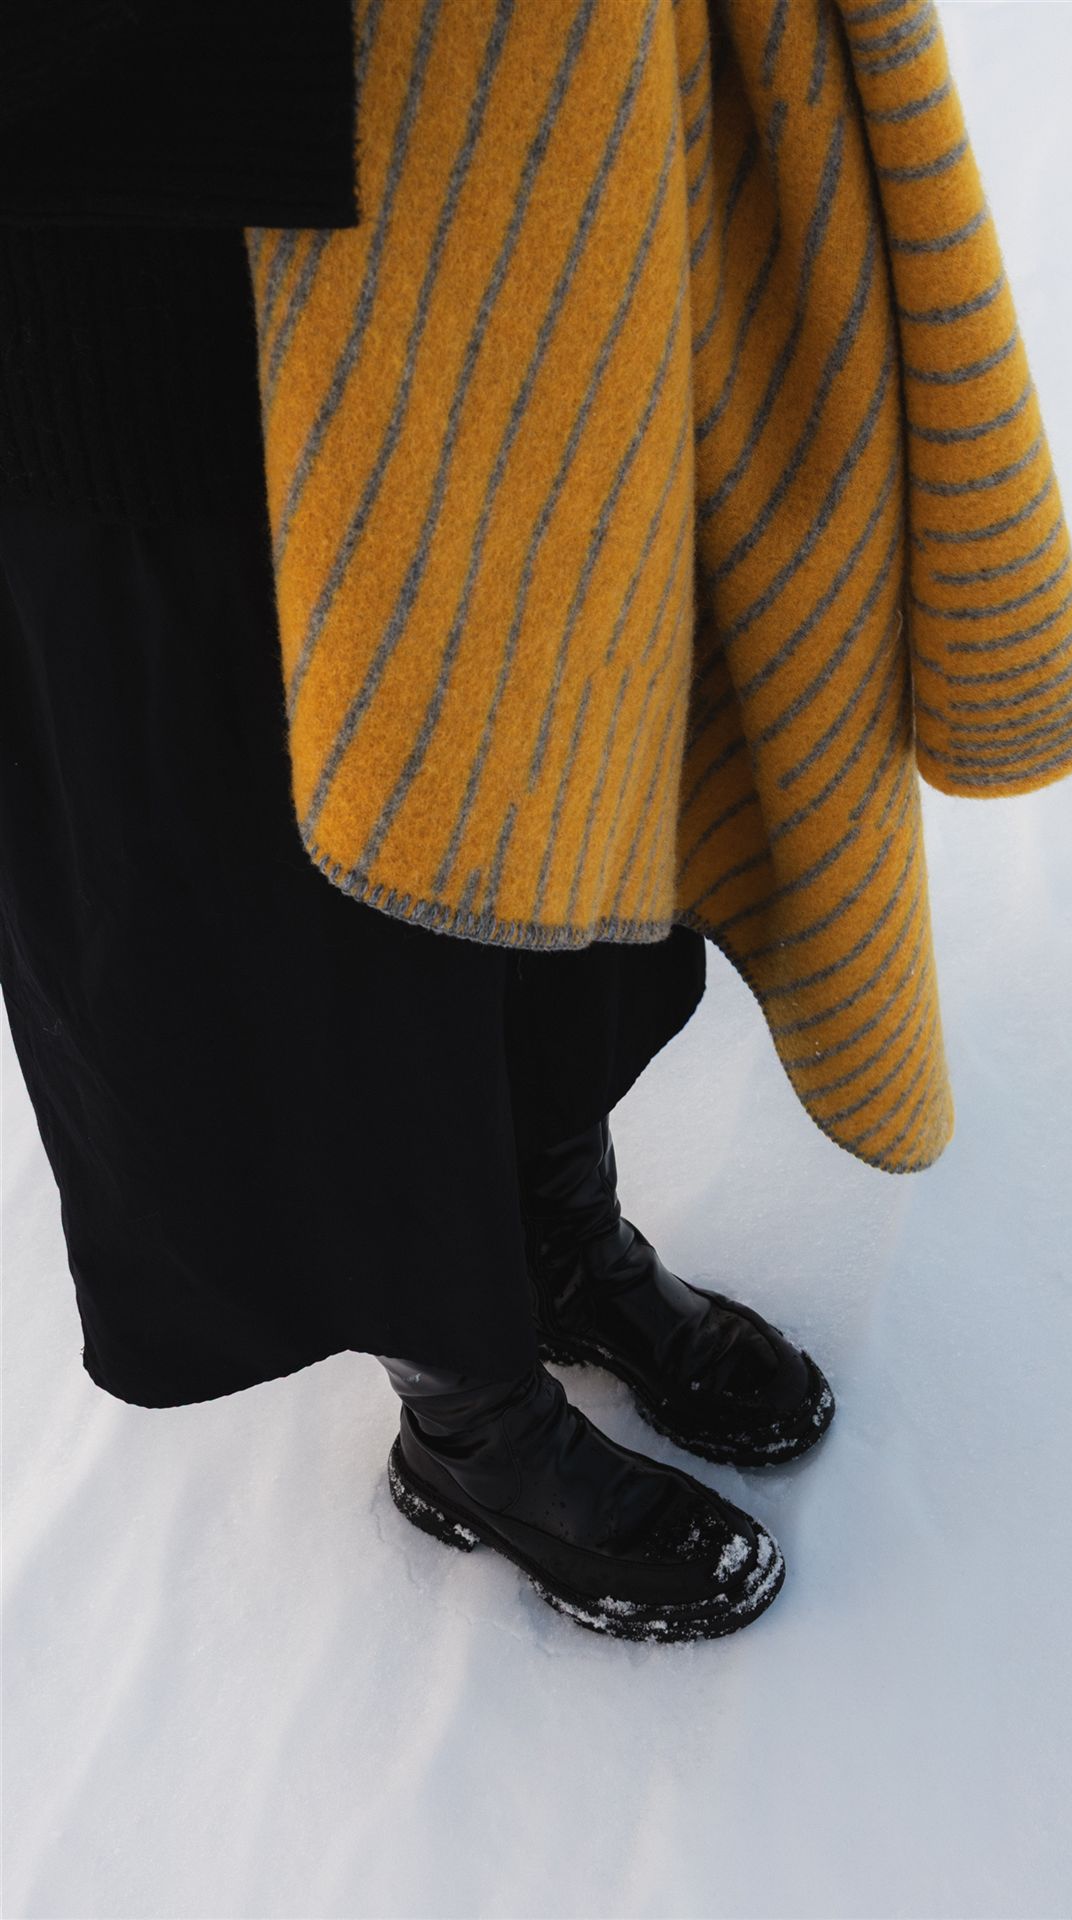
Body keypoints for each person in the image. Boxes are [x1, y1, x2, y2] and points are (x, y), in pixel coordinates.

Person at [0, 3, 833, 1643]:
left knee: (534, 770)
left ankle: (557, 1236)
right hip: (123, 287)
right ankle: (470, 1412)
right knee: (284, 896)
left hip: (472, 221)